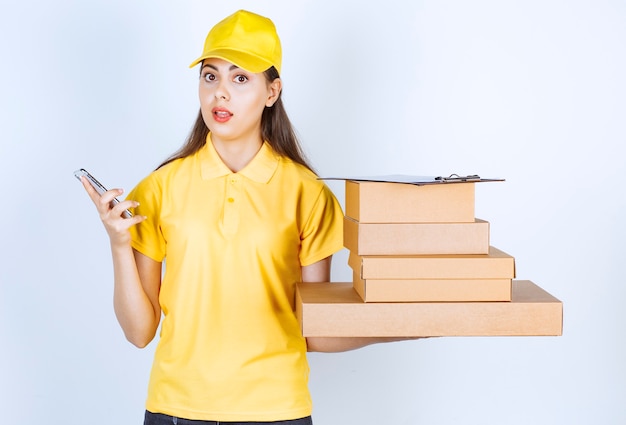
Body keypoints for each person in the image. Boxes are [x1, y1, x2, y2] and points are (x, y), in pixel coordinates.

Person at [79, 9, 395, 425]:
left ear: (272, 91)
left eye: (240, 78)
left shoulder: (307, 193)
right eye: (210, 76)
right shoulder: (160, 187)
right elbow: (139, 333)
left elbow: (313, 330)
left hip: (277, 410)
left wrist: (406, 326)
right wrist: (119, 243)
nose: (219, 94)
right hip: (176, 409)